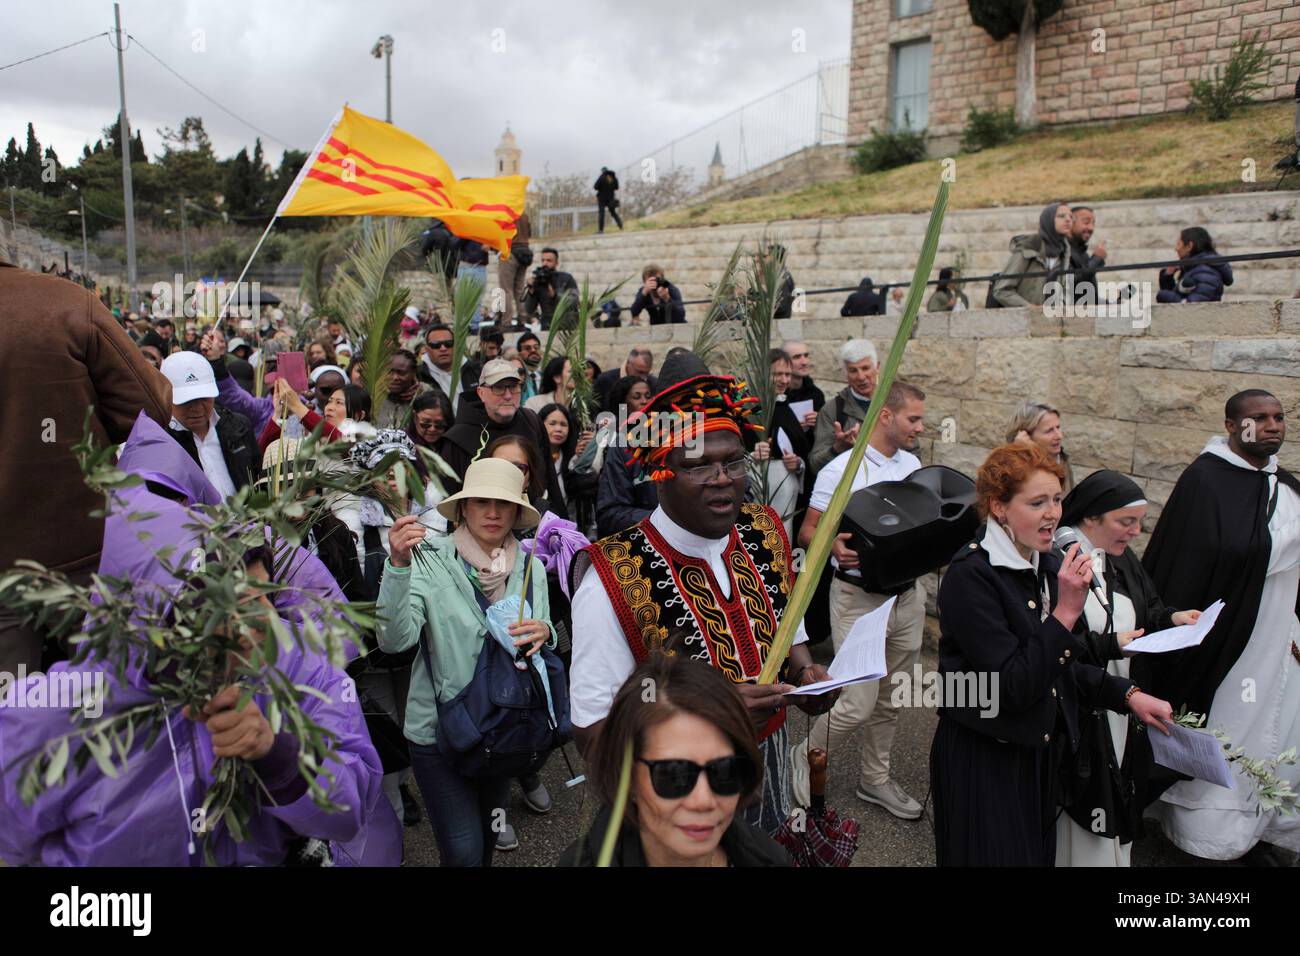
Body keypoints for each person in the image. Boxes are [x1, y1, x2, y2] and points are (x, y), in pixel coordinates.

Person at [569, 362, 840, 835]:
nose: (722, 478)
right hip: (675, 793)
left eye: (733, 461)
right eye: (697, 465)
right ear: (661, 475)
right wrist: (703, 719)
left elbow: (787, 626)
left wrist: (806, 676)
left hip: (769, 770)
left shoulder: (765, 530)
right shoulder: (611, 578)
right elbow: (594, 730)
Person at [930, 442, 1173, 866]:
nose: (1053, 513)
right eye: (1037, 502)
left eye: (1057, 499)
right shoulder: (971, 578)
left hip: (1037, 754)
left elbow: (1064, 667)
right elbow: (1012, 686)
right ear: (999, 508)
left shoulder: (1043, 562)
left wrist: (1127, 695)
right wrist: (1064, 613)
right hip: (986, 758)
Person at [1139, 389, 1299, 862]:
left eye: (1278, 417)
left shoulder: (1284, 485)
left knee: (1275, 725)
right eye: (1258, 419)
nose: (1271, 426)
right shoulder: (1205, 482)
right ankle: (1209, 836)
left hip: (1278, 631)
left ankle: (1261, 823)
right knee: (1230, 721)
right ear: (1232, 426)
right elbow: (1187, 567)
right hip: (1228, 641)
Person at [376, 457, 553, 866]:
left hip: (504, 728)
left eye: (503, 504)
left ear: (516, 512)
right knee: (463, 852)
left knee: (489, 841)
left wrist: (547, 631)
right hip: (440, 733)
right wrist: (398, 566)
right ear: (462, 508)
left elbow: (540, 638)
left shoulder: (530, 567)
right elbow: (393, 641)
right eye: (481, 502)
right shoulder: (429, 559)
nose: (492, 513)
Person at [0, 258, 172, 675]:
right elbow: (148, 410)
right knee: (112, 711)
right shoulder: (64, 302)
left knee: (12, 731)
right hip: (83, 559)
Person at [790, 381, 928, 818]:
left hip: (908, 598)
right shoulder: (841, 470)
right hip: (857, 600)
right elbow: (807, 532)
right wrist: (832, 544)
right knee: (857, 701)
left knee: (890, 699)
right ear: (885, 415)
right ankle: (805, 752)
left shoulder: (914, 465)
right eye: (914, 419)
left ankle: (875, 780)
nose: (920, 428)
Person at [1054, 470, 1202, 867]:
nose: (1136, 532)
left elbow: (1147, 608)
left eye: (1139, 522)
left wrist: (1173, 619)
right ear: (1091, 518)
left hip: (1123, 701)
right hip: (1081, 706)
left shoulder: (1121, 558)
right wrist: (1111, 646)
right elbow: (1056, 644)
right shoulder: (1058, 563)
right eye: (1126, 521)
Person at [559, 654, 792, 866]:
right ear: (627, 778)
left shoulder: (769, 857)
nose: (704, 800)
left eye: (725, 771)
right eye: (674, 774)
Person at [439, 358, 566, 508]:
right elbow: (450, 496)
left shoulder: (532, 421)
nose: (507, 395)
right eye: (498, 387)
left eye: (513, 387)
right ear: (481, 392)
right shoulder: (458, 437)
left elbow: (549, 477)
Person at [160, 351, 259, 498]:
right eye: (186, 401)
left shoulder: (239, 427)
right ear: (166, 397)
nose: (197, 408)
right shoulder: (161, 443)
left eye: (204, 398)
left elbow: (258, 478)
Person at [752, 349, 809, 540]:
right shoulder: (748, 409)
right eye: (778, 374)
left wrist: (798, 463)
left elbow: (802, 450)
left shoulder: (786, 407)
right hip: (759, 497)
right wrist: (752, 455)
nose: (784, 380)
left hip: (788, 502)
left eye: (787, 374)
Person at [809, 338, 878, 474]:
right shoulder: (832, 410)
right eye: (853, 370)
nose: (861, 376)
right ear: (845, 374)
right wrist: (838, 448)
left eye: (865, 368)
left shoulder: (894, 403)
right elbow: (815, 465)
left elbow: (912, 449)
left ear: (877, 368)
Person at [992, 201, 1074, 308]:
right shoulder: (1029, 248)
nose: (1068, 220)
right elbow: (1002, 290)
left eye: (1071, 217)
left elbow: (1063, 291)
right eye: (1061, 216)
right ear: (1048, 220)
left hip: (1049, 321)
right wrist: (1029, 307)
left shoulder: (1065, 253)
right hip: (1022, 320)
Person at [539, 402, 596, 527]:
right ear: (540, 425)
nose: (558, 429)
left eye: (563, 424)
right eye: (552, 424)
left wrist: (585, 456)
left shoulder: (571, 458)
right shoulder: (533, 458)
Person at [1007, 399, 1074, 494]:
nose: (1059, 436)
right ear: (1026, 435)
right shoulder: (1012, 468)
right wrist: (1018, 452)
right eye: (1049, 431)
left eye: (1058, 427)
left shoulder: (1062, 459)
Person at [1155, 226, 1233, 303]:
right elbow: (1177, 298)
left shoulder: (1206, 271)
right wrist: (1168, 276)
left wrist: (1164, 295)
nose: (1176, 249)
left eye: (1179, 244)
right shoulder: (1194, 268)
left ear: (1189, 246)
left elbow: (1194, 306)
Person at [522, 248, 579, 330]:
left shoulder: (566, 278)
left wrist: (555, 295)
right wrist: (531, 292)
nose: (545, 263)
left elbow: (574, 301)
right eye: (543, 260)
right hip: (548, 326)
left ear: (556, 263)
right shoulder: (539, 280)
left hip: (567, 326)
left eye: (549, 260)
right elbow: (529, 310)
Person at [375, 350, 434, 430]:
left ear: (414, 372)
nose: (395, 377)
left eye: (402, 373)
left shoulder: (427, 396)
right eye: (389, 372)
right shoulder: (373, 395)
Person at [782, 340, 825, 433]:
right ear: (784, 362)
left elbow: (825, 434)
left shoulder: (816, 394)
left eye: (806, 355)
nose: (804, 362)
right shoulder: (775, 396)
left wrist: (820, 420)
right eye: (797, 357)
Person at [498, 212, 533, 326]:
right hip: (525, 251)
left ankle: (506, 322)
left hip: (510, 251)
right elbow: (529, 233)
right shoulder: (524, 214)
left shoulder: (504, 213)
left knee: (505, 290)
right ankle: (523, 319)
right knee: (519, 289)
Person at [594, 347, 655, 411]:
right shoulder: (605, 380)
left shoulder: (653, 383)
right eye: (639, 372)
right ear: (628, 363)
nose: (643, 377)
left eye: (646, 373)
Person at [1067, 207, 1107, 304]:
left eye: (1093, 223)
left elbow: (1087, 297)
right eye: (1086, 222)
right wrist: (1096, 260)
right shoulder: (1062, 251)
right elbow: (1070, 285)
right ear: (1070, 222)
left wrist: (1111, 303)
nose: (1091, 228)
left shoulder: (1082, 252)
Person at [594, 167, 623, 232]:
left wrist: (601, 188)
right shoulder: (613, 178)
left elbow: (595, 187)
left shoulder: (602, 177)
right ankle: (620, 225)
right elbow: (617, 187)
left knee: (602, 214)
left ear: (602, 171)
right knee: (613, 213)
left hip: (601, 199)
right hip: (610, 199)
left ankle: (601, 230)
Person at [516, 331, 544, 399]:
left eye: (536, 347)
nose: (533, 350)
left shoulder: (546, 377)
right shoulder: (517, 378)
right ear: (520, 354)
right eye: (527, 348)